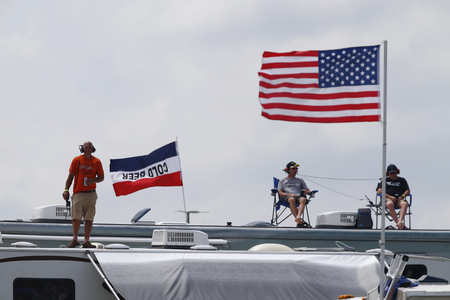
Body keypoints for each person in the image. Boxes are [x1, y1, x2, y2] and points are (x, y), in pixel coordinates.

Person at [62, 141, 104, 248]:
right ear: (82, 149)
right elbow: (70, 176)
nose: (88, 149)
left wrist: (93, 180)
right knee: (76, 217)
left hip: (91, 194)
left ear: (92, 149)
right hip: (78, 193)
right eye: (86, 147)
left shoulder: (96, 161)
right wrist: (66, 190)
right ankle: (75, 239)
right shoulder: (77, 160)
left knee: (89, 218)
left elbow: (101, 177)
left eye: (90, 147)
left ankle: (86, 241)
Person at [278, 161, 311, 228]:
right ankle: (299, 220)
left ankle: (298, 217)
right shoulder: (282, 181)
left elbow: (308, 190)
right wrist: (290, 194)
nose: (296, 170)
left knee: (303, 199)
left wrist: (306, 192)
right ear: (288, 170)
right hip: (287, 197)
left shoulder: (300, 180)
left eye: (296, 169)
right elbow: (280, 193)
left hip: (298, 196)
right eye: (293, 169)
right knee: (292, 199)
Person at [376, 164, 410, 230]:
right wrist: (390, 197)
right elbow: (379, 190)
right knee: (389, 204)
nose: (393, 175)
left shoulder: (402, 180)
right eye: (391, 173)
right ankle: (398, 223)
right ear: (388, 174)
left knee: (405, 204)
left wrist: (402, 196)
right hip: (388, 199)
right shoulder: (385, 180)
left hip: (399, 199)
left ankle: (400, 221)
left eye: (395, 173)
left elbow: (407, 190)